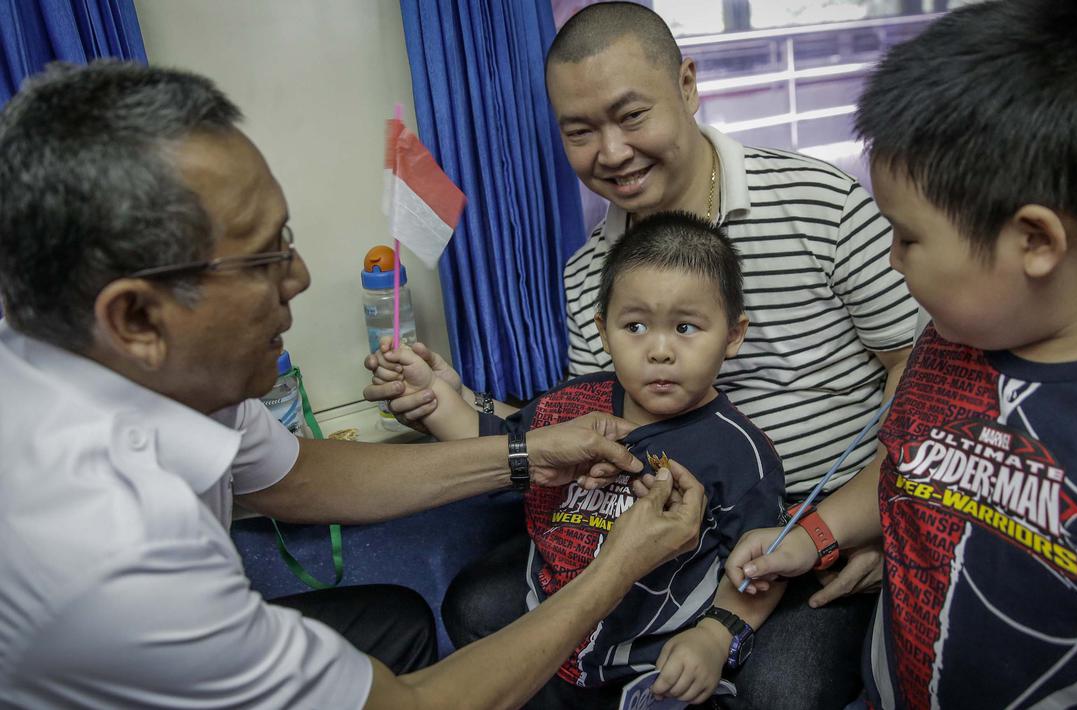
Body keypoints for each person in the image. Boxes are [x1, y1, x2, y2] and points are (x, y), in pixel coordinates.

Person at [0, 60, 708, 709]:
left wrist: (529, 452)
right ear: (134, 316)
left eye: (290, 238)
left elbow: (298, 476)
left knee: (394, 624)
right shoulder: (114, 558)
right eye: (264, 258)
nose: (299, 277)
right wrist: (615, 567)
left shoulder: (135, 365)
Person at [365, 3, 917, 705]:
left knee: (782, 688)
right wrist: (451, 399)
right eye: (580, 131)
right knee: (481, 602)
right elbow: (584, 425)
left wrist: (868, 520)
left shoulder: (821, 204)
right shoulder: (588, 274)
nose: (612, 152)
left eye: (631, 116)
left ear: (686, 86)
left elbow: (917, 371)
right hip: (661, 531)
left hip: (811, 524)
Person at [727, 1, 1077, 707]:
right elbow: (912, 471)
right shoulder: (947, 340)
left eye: (906, 237)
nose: (892, 259)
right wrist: (811, 534)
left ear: (1033, 241)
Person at [376, 212, 787, 707]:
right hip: (549, 627)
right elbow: (495, 445)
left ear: (733, 335)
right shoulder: (566, 406)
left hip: (653, 660)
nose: (659, 350)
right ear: (603, 330)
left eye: (685, 327)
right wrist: (434, 399)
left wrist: (716, 636)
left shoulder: (741, 452)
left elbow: (762, 565)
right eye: (635, 326)